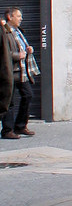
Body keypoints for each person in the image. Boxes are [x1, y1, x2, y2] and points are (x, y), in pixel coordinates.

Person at [1, 8, 35, 139]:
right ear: (10, 17)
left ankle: (20, 126)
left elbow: (20, 47)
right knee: (9, 101)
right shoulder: (4, 32)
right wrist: (17, 55)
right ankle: (7, 131)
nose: (21, 18)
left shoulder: (18, 31)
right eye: (18, 16)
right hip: (9, 71)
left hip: (21, 72)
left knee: (28, 95)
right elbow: (3, 52)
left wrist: (28, 49)